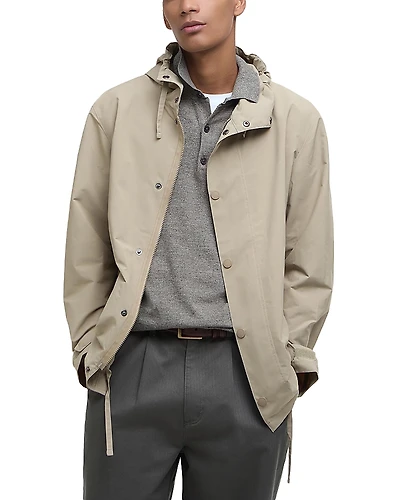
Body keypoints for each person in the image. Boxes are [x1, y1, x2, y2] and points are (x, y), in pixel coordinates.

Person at [63, 1, 334, 499]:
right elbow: (87, 245)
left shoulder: (296, 120)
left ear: (239, 2)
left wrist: (288, 361)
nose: (188, 5)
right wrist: (90, 351)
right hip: (134, 364)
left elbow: (309, 262)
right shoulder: (116, 111)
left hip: (248, 376)